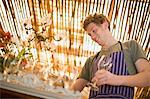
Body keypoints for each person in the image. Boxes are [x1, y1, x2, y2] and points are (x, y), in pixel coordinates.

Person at [71, 13, 150, 99]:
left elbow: (147, 77)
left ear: (105, 24)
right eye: (90, 35)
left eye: (94, 31)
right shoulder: (91, 60)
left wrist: (115, 79)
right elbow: (74, 90)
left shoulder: (130, 47)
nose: (92, 37)